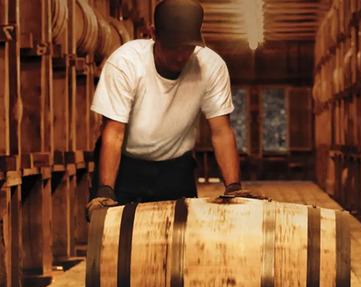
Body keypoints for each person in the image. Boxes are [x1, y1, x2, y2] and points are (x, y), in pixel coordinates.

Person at [86, 0, 251, 220]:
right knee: (115, 239)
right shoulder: (125, 63)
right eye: (173, 47)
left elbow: (221, 132)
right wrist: (105, 190)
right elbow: (113, 132)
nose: (181, 56)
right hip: (126, 166)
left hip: (175, 167)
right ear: (153, 34)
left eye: (188, 47)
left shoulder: (211, 67)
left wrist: (233, 187)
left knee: (180, 243)